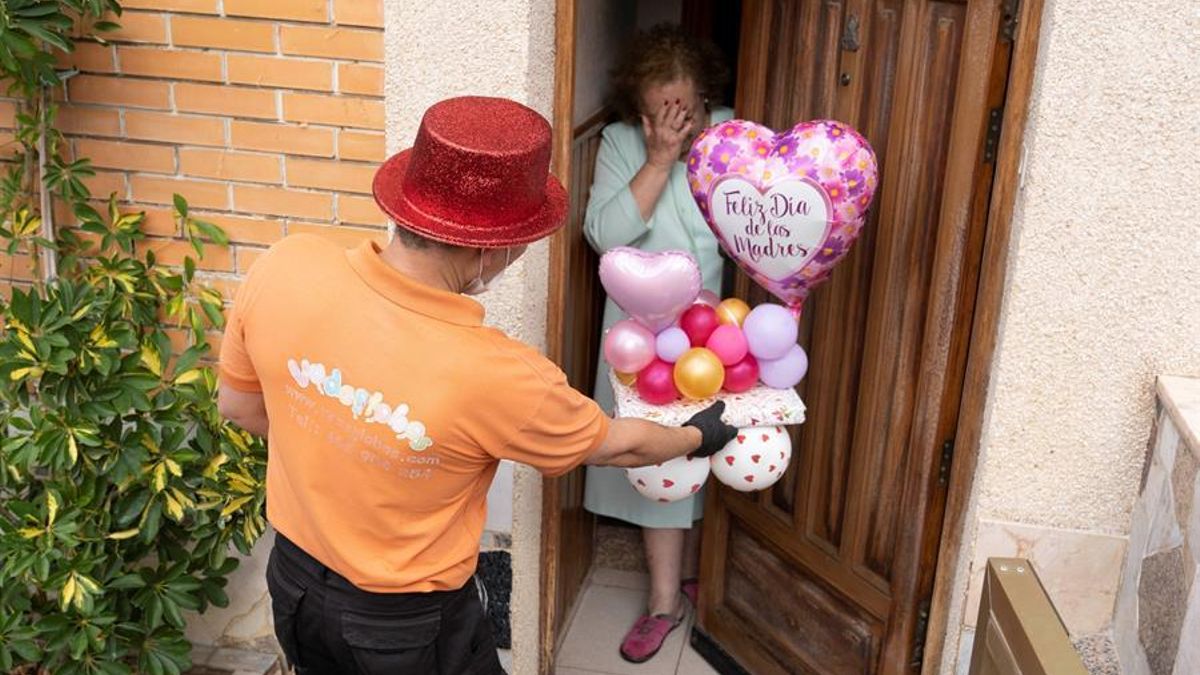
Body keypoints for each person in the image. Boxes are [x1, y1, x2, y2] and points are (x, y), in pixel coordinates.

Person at [216, 96, 738, 675]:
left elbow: (238, 405)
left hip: (292, 585)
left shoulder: (286, 264)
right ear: (492, 249)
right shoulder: (500, 374)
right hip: (404, 626)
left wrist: (342, 440)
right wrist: (697, 436)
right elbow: (620, 445)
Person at [581, 24, 733, 663]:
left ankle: (717, 579)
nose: (674, 125)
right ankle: (664, 603)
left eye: (686, 115)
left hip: (715, 327)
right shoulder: (621, 142)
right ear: (639, 109)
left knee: (726, 447)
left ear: (705, 104)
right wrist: (659, 160)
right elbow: (603, 234)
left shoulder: (731, 136)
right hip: (640, 335)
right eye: (659, 114)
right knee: (662, 460)